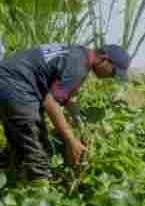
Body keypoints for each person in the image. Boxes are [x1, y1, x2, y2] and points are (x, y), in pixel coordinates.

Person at [0, 42, 129, 184]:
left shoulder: (78, 53)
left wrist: (75, 112)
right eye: (113, 71)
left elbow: (54, 86)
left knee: (20, 146)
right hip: (15, 85)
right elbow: (50, 102)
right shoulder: (79, 66)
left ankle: (9, 176)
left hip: (10, 82)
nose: (111, 76)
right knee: (38, 154)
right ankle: (39, 192)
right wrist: (71, 142)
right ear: (104, 59)